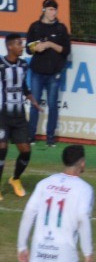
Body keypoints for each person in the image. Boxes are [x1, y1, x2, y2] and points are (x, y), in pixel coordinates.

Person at [0, 33, 40, 200]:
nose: (22, 46)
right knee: (2, 149)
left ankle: (15, 179)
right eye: (19, 43)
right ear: (10, 46)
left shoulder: (23, 65)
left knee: (25, 150)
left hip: (19, 116)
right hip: (2, 114)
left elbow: (23, 85)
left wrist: (32, 100)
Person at [25, 0, 70, 147]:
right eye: (50, 9)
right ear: (44, 10)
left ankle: (50, 137)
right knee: (34, 104)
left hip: (54, 73)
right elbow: (27, 48)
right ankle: (31, 135)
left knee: (52, 105)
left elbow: (66, 50)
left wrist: (50, 44)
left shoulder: (61, 29)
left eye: (55, 9)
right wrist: (35, 48)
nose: (53, 12)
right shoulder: (35, 27)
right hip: (37, 72)